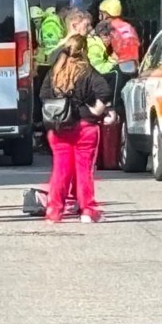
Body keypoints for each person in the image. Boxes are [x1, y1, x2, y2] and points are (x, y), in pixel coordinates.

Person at [40, 34, 113, 223]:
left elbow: (43, 94)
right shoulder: (88, 71)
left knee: (60, 170)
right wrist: (95, 109)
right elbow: (104, 91)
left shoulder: (54, 72)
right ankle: (87, 210)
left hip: (58, 127)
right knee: (84, 171)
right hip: (84, 126)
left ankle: (54, 211)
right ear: (84, 50)